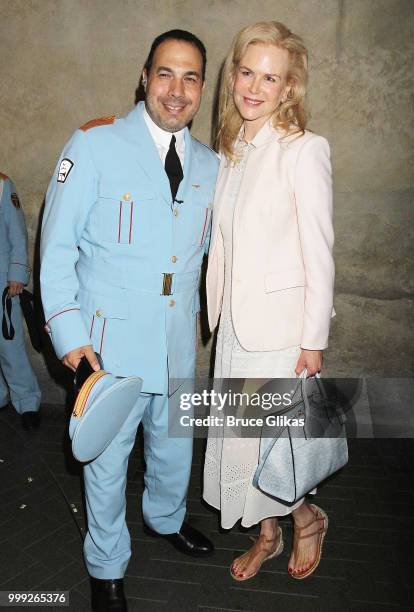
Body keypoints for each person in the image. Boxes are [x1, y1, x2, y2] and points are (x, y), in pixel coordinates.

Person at [41, 30, 219, 611]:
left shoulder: (211, 167)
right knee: (107, 460)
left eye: (191, 77)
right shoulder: (94, 145)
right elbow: (57, 248)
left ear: (201, 88)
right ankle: (107, 564)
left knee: (174, 447)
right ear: (144, 78)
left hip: (175, 344)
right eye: (166, 73)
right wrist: (69, 336)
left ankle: (165, 520)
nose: (177, 89)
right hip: (108, 348)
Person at [203, 21, 335, 581]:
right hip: (234, 327)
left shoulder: (303, 151)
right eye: (247, 72)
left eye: (270, 77)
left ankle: (306, 520)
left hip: (279, 335)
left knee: (271, 447)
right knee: (240, 443)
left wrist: (313, 340)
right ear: (233, 75)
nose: (255, 87)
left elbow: (320, 250)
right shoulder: (231, 150)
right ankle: (268, 533)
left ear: (289, 88)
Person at [0, 172, 41, 430]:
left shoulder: (3, 184)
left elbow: (16, 233)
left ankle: (27, 401)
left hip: (2, 284)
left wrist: (17, 274)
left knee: (9, 346)